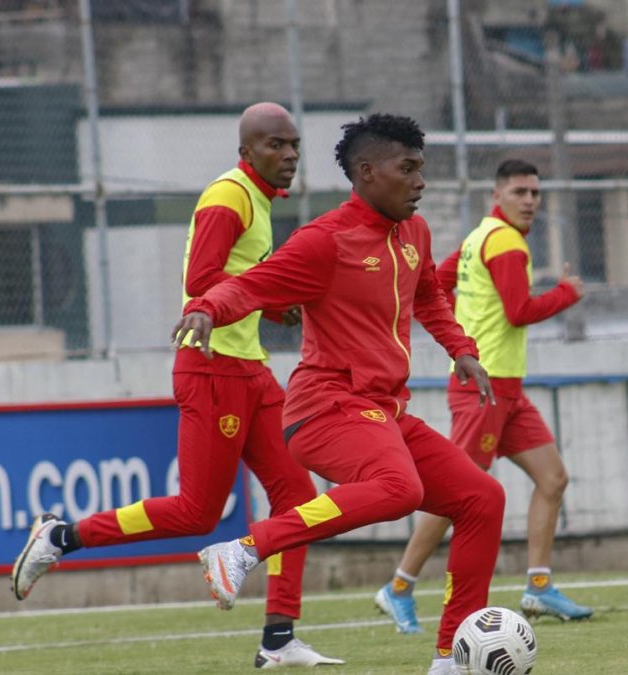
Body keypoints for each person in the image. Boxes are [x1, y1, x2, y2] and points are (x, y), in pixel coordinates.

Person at [10, 102, 342, 668]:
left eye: (293, 146)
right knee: (197, 513)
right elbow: (202, 281)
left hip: (250, 369)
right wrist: (264, 299)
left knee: (297, 498)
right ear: (246, 152)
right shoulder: (229, 195)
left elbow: (241, 281)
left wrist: (272, 306)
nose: (288, 156)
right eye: (275, 146)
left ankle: (280, 639)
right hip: (211, 368)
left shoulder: (259, 200)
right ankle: (61, 537)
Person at [172, 112, 506, 675]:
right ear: (368, 173)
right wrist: (205, 308)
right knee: (399, 488)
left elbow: (429, 299)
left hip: (383, 412)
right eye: (409, 169)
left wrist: (462, 349)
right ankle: (244, 549)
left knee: (482, 500)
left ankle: (450, 659)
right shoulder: (324, 241)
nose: (421, 181)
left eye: (422, 167)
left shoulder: (414, 234)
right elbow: (249, 286)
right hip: (325, 409)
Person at [374, 159, 589, 633]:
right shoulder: (506, 242)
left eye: (535, 192)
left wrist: (464, 326)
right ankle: (400, 587)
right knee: (461, 491)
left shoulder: (478, 237)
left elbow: (437, 284)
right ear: (498, 194)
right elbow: (518, 311)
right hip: (483, 389)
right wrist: (568, 294)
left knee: (552, 479)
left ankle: (537, 587)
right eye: (520, 192)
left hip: (505, 388)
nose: (530, 200)